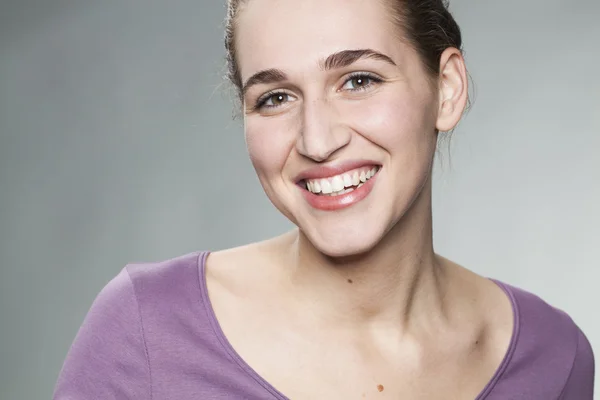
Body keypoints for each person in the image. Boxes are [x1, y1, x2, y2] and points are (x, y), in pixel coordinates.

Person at [53, 0, 595, 398]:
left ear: (447, 89)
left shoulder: (555, 356)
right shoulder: (148, 330)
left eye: (358, 80)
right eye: (276, 97)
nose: (317, 140)